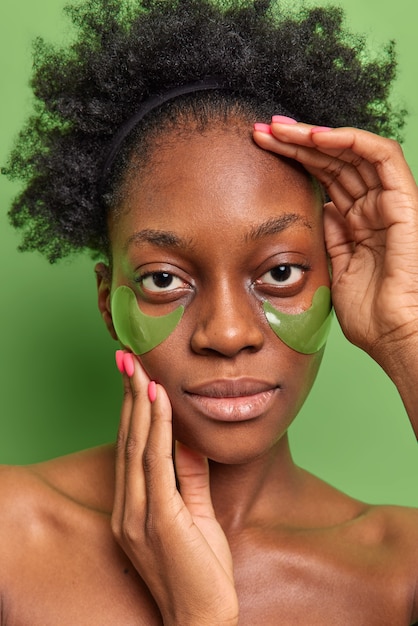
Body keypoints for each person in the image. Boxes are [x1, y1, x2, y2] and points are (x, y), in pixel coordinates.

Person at [1, 0, 417, 623]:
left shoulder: (399, 571)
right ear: (108, 304)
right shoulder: (11, 536)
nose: (227, 333)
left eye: (280, 273)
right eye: (164, 279)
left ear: (337, 279)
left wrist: (407, 334)